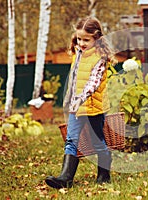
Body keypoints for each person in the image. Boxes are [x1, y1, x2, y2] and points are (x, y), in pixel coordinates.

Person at [45, 16, 117, 189]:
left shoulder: (100, 58)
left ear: (97, 38)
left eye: (87, 39)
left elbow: (93, 82)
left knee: (97, 141)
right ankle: (65, 178)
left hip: (93, 107)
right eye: (79, 38)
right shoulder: (77, 53)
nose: (82, 42)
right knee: (71, 139)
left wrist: (80, 99)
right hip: (75, 107)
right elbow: (75, 79)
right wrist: (71, 100)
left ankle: (104, 174)